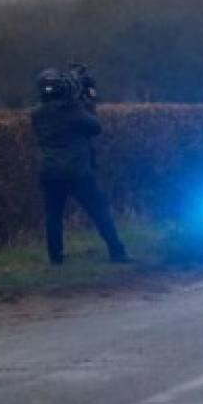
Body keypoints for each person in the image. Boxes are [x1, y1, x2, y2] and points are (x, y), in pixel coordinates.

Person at [30, 68, 127, 265]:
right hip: (77, 171)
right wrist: (86, 102)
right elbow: (95, 127)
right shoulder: (73, 112)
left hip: (50, 172)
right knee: (99, 210)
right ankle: (117, 251)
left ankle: (55, 259)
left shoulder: (37, 114)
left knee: (54, 217)